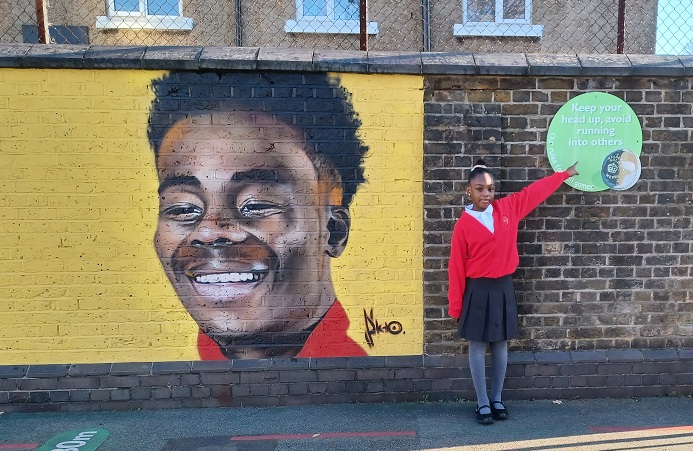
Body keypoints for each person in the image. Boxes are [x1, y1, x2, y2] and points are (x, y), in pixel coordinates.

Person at [147, 71, 369, 359]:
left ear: (333, 230)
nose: (209, 231)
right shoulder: (183, 387)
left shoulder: (357, 385)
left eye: (255, 205)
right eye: (183, 208)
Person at [447, 159, 579, 424]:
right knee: (477, 345)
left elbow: (534, 192)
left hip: (502, 287)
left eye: (491, 189)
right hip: (478, 289)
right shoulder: (463, 224)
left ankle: (497, 399)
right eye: (480, 188)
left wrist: (564, 174)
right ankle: (482, 402)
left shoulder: (507, 208)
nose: (486, 194)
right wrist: (456, 306)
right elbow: (456, 267)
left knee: (500, 344)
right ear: (468, 191)